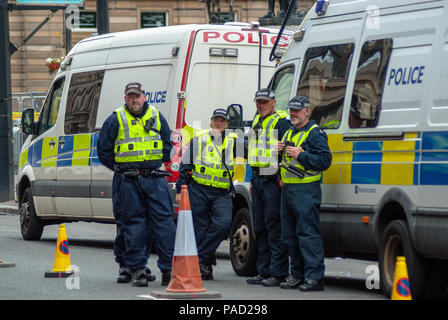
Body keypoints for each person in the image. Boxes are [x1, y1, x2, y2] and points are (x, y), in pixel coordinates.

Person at [97, 82, 176, 287]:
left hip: (154, 178)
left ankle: (168, 269)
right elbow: (104, 151)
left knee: (164, 224)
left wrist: (153, 163)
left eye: (137, 96)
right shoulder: (116, 119)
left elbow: (168, 144)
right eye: (130, 96)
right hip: (128, 180)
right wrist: (122, 168)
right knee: (134, 225)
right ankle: (137, 269)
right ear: (125, 99)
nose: (134, 100)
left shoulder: (157, 117)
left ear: (144, 97)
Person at [176, 108, 239, 280]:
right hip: (199, 190)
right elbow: (185, 167)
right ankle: (205, 267)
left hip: (221, 193)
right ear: (211, 121)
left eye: (222, 121)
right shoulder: (200, 139)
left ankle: (201, 258)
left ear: (227, 124)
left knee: (223, 224)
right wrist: (180, 190)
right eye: (216, 120)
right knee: (201, 230)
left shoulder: (234, 141)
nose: (219, 123)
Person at [278, 96, 332, 291]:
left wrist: (301, 154)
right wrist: (280, 152)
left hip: (306, 190)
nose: (293, 113)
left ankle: (314, 277)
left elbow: (325, 160)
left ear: (307, 112)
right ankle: (297, 274)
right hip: (289, 190)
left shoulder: (315, 133)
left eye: (297, 110)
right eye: (291, 109)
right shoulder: (290, 131)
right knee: (290, 235)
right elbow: (287, 161)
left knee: (308, 234)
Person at [246, 88, 291, 287]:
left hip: (272, 181)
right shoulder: (257, 121)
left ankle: (278, 272)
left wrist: (282, 175)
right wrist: (251, 180)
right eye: (258, 102)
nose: (261, 105)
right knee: (260, 227)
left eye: (265, 102)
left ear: (274, 102)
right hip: (258, 179)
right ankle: (263, 271)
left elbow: (290, 147)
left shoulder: (281, 121)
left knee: (274, 228)